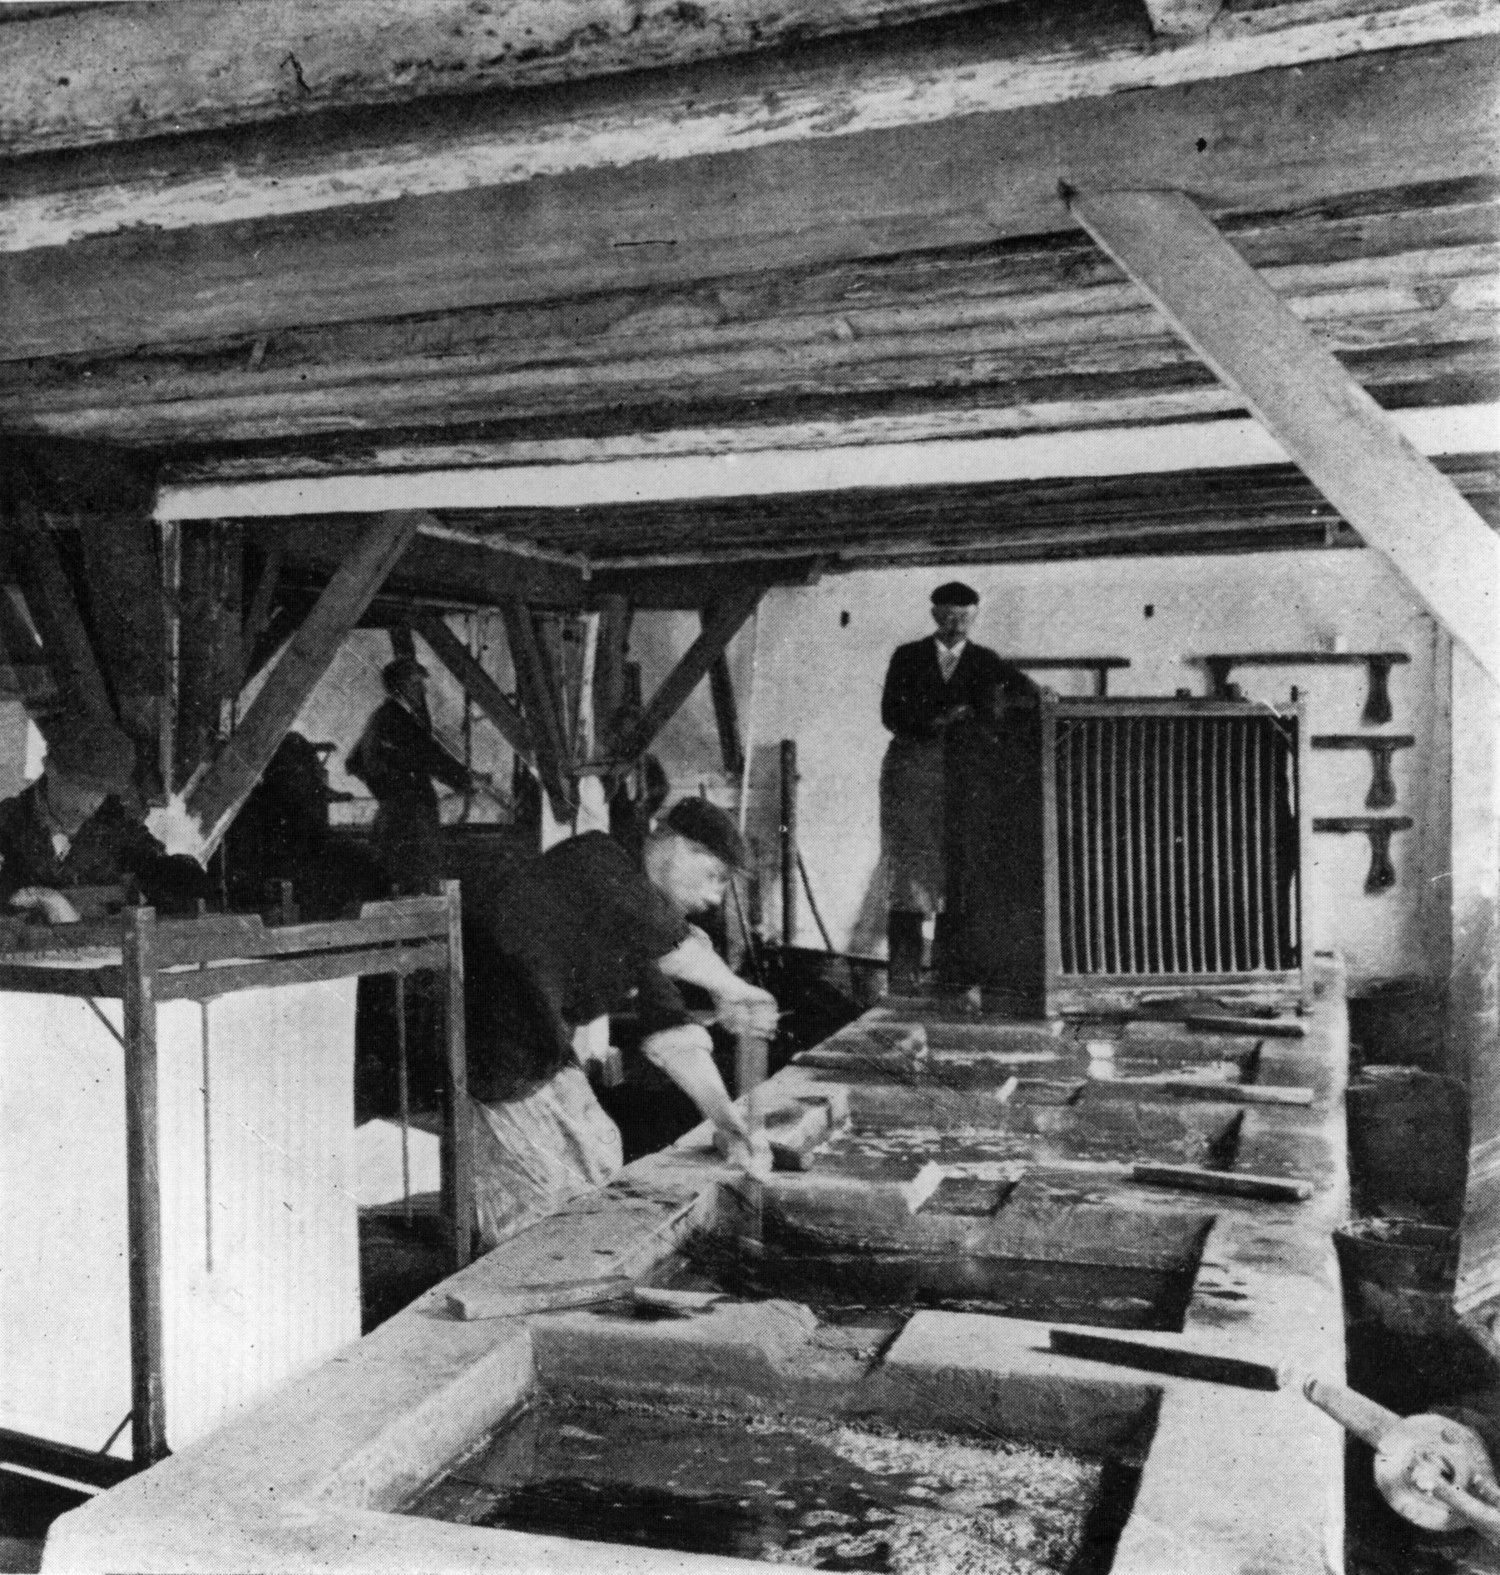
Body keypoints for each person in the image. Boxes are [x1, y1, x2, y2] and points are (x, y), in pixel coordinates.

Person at [465, 797, 778, 1248]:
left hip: (539, 1049)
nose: (715, 899)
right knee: (541, 1201)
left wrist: (728, 1121)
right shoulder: (597, 859)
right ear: (677, 847)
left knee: (600, 1151)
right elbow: (668, 941)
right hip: (487, 1050)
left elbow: (671, 1030)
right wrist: (734, 988)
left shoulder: (645, 920)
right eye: (715, 877)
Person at [878, 581, 1035, 992]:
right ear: (934, 615)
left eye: (964, 616)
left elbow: (1025, 691)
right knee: (910, 873)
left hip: (966, 778)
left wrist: (1042, 695)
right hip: (913, 776)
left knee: (961, 874)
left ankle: (953, 978)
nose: (955, 623)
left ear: (975, 616)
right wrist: (940, 719)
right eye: (948, 615)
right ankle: (903, 978)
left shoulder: (986, 661)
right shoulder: (908, 656)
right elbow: (891, 714)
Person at [0, 717, 209, 922]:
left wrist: (184, 876)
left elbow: (160, 869)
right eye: (85, 787)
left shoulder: (116, 828)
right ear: (50, 768)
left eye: (103, 791)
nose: (94, 802)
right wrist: (46, 899)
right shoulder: (6, 825)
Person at [345, 655, 479, 895]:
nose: (423, 690)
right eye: (416, 684)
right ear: (400, 687)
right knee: (419, 882)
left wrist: (385, 786)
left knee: (398, 883)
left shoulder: (382, 716)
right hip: (412, 817)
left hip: (393, 815)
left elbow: (354, 762)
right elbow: (430, 756)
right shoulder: (398, 718)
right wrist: (464, 780)